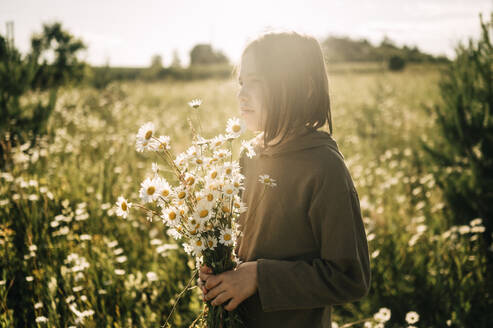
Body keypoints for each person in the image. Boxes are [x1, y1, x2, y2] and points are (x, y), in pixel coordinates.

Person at [198, 30, 371, 328]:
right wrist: (220, 272)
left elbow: (350, 278)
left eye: (257, 82)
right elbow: (246, 245)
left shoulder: (324, 167)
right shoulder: (248, 155)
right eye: (241, 82)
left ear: (303, 88)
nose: (241, 94)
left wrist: (258, 277)